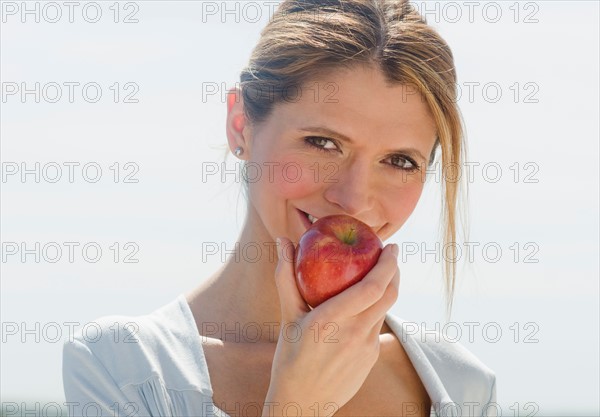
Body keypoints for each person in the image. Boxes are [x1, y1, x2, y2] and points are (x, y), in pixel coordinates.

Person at [63, 0, 496, 416]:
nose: (353, 198)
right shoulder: (124, 369)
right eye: (323, 143)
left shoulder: (456, 384)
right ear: (241, 128)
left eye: (399, 161)